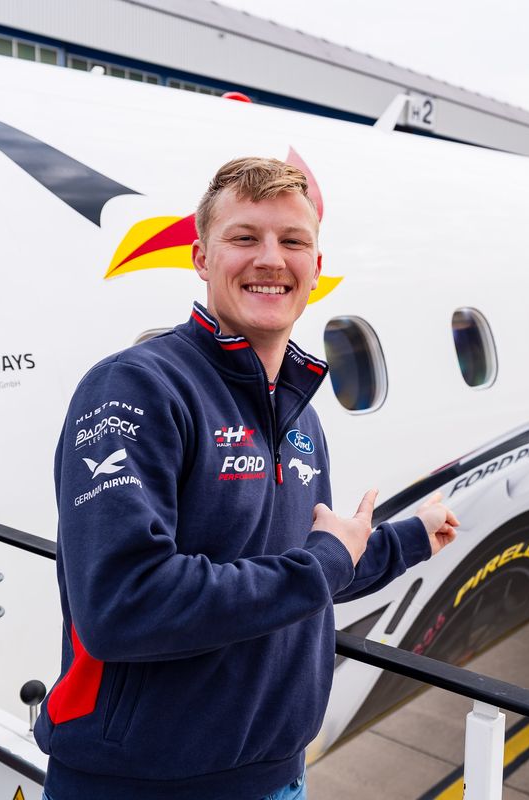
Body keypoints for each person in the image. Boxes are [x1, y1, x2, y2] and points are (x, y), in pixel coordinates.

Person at [34, 157, 458, 799]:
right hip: (140, 786)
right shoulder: (137, 388)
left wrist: (407, 540)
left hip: (278, 776)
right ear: (201, 258)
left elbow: (299, 570)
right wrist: (322, 563)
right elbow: (125, 604)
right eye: (244, 238)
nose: (270, 259)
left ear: (317, 266)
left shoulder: (298, 412)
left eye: (293, 241)